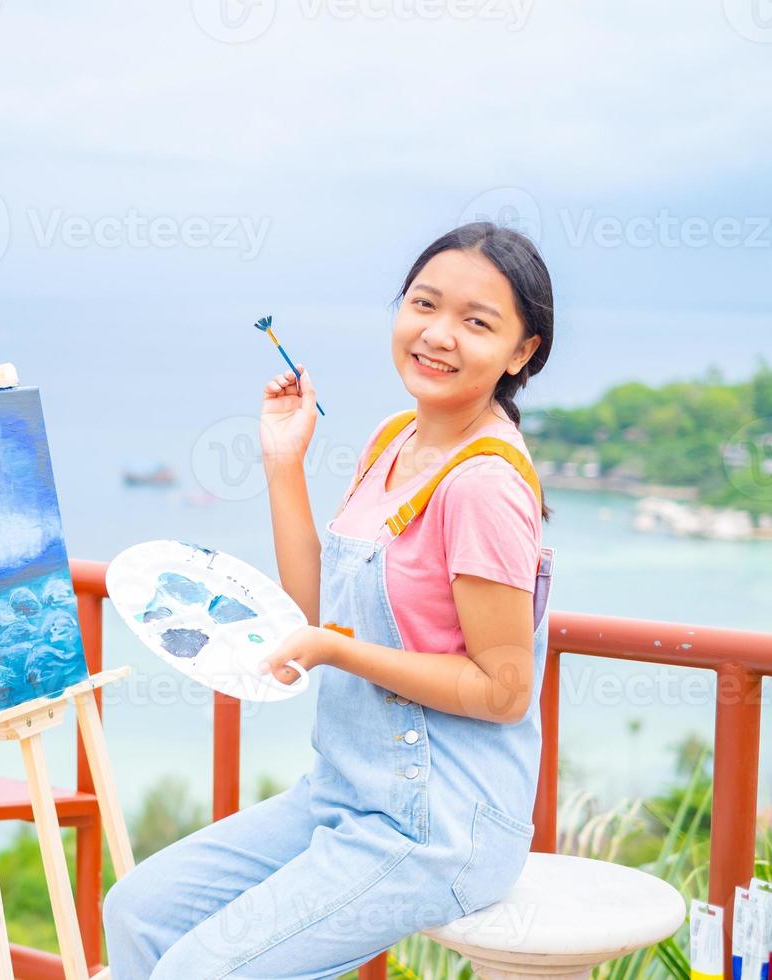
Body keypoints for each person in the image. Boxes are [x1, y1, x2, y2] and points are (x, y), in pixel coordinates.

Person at [103, 221, 557, 979]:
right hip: (343, 793)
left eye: (477, 322)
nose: (438, 334)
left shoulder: (482, 486)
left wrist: (339, 651)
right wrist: (284, 462)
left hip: (436, 826)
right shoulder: (393, 441)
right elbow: (314, 612)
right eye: (424, 304)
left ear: (521, 352)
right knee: (138, 910)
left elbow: (505, 692)